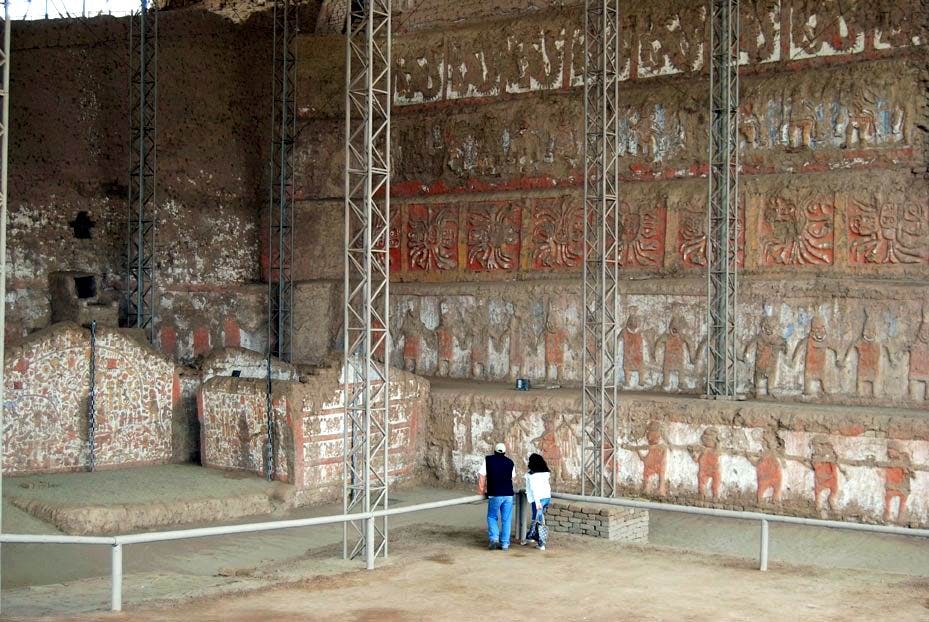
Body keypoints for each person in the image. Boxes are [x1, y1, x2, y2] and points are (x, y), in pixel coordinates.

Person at [478, 442, 515, 550]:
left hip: (495, 493)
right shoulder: (510, 462)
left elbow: (482, 476)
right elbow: (512, 478)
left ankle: (494, 538)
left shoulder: (488, 460)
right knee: (506, 519)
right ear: (504, 452)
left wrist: (481, 491)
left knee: (492, 516)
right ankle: (505, 544)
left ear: (494, 451)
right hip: (508, 494)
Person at [523, 453, 552, 550]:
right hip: (547, 497)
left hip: (538, 500)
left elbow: (534, 490)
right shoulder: (546, 473)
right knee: (537, 518)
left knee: (539, 520)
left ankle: (541, 543)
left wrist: (537, 503)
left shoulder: (531, 475)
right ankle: (531, 536)